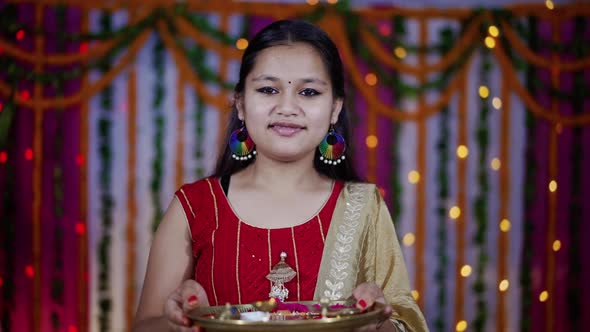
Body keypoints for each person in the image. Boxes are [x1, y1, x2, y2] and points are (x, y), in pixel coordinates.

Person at [133, 20, 428, 332]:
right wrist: (179, 319)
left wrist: (375, 323)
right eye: (268, 89)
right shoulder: (195, 206)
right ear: (242, 103)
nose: (287, 107)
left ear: (335, 109)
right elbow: (145, 325)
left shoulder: (363, 206)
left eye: (309, 92)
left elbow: (404, 321)